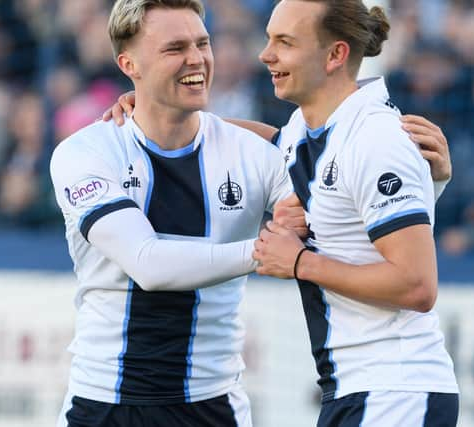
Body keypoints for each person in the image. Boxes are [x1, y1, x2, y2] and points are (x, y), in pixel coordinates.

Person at [49, 1, 298, 426]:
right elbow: (149, 263)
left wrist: (433, 183)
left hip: (212, 405)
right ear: (130, 64)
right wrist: (266, 252)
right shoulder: (85, 153)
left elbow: (334, 218)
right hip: (104, 405)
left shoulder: (254, 153)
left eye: (203, 43)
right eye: (174, 48)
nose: (196, 58)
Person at [252, 1, 459, 426]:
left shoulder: (376, 138)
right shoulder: (305, 130)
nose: (265, 54)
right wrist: (161, 115)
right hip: (357, 391)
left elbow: (417, 285)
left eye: (284, 42)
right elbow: (261, 142)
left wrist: (299, 262)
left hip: (395, 393)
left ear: (335, 55)